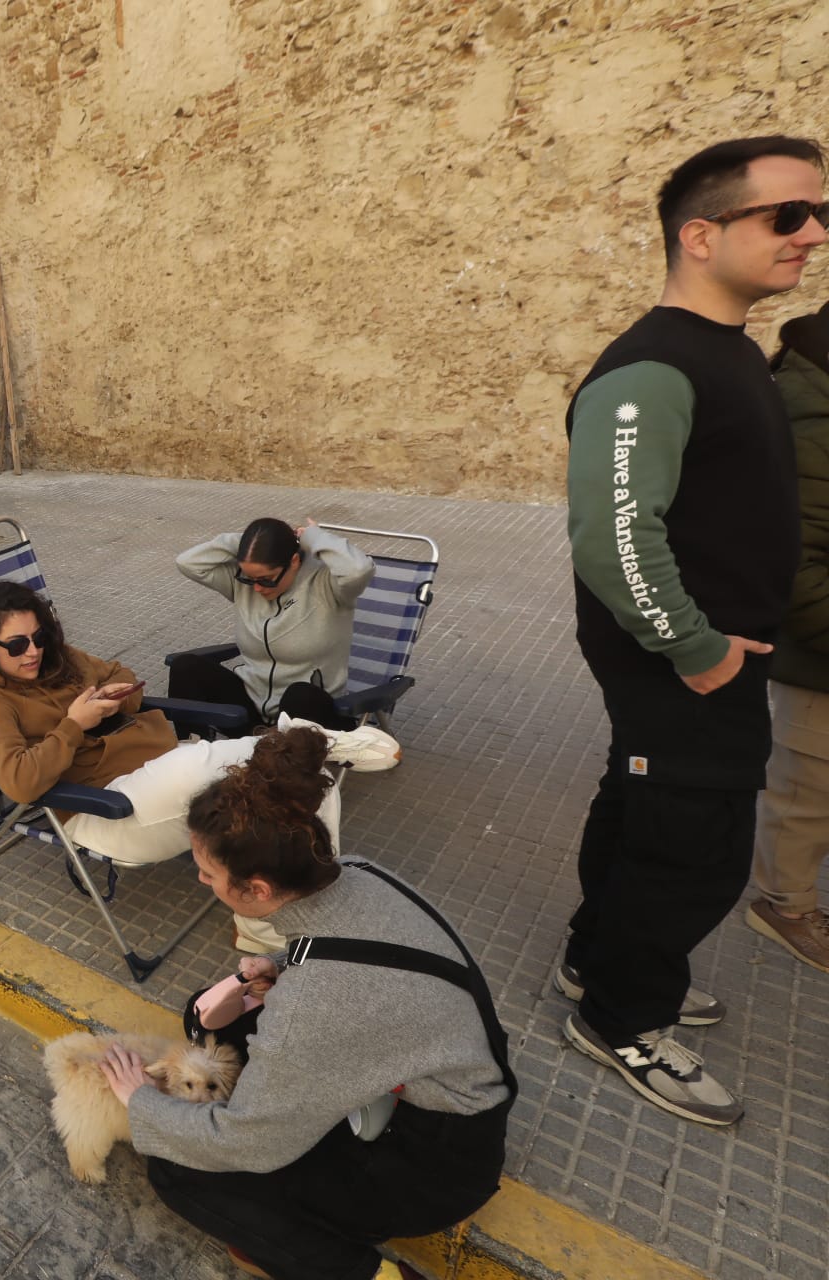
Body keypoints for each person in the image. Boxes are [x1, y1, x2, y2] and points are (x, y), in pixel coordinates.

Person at [559, 135, 825, 1126]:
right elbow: (614, 535)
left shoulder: (730, 348)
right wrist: (698, 648)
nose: (812, 233)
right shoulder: (653, 367)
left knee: (641, 809)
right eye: (786, 215)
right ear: (701, 235)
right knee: (694, 849)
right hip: (685, 659)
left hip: (702, 653)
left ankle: (602, 960)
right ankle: (625, 1015)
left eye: (820, 213)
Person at [101, 726, 513, 1280]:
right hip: (452, 1075)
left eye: (207, 871)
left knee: (181, 1172)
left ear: (259, 891)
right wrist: (284, 970)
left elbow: (250, 1143)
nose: (199, 878)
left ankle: (371, 1274)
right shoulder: (360, 873)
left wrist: (139, 1103)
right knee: (207, 1015)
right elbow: (364, 967)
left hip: (431, 1165)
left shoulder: (312, 1008)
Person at [0, 580, 393, 870]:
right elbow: (19, 782)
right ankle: (306, 738)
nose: (32, 651)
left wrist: (111, 701)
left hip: (160, 769)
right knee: (203, 765)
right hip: (109, 806)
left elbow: (122, 675)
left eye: (38, 636)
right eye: (16, 644)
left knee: (309, 782)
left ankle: (306, 891)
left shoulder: (57, 659)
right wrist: (73, 726)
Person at [748, 298, 829, 974]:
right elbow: (799, 557)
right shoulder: (810, 408)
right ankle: (786, 904)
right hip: (819, 643)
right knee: (808, 785)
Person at [171, 518, 374, 729]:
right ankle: (188, 749)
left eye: (266, 579)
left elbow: (358, 569)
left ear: (293, 561)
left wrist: (313, 537)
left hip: (310, 715)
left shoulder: (329, 585)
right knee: (186, 666)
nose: (257, 588)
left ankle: (280, 754)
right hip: (252, 708)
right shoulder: (241, 582)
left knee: (300, 693)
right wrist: (252, 545)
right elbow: (187, 562)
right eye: (250, 579)